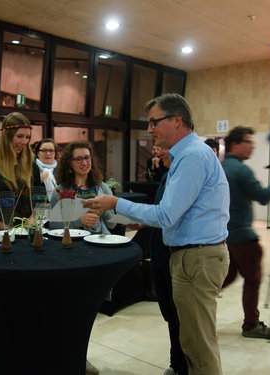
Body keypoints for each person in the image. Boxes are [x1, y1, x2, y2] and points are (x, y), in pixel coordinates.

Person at [83, 93, 230, 375]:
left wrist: (115, 203)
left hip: (197, 258)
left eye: (153, 122)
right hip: (192, 255)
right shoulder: (188, 156)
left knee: (198, 346)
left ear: (176, 120)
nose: (149, 130)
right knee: (191, 340)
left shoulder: (192, 156)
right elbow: (180, 212)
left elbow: (165, 214)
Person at [221, 126, 270, 339]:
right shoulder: (241, 170)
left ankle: (196, 301)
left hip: (226, 234)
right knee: (252, 279)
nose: (252, 146)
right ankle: (251, 325)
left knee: (229, 275)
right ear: (235, 144)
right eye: (248, 142)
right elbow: (262, 196)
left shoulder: (223, 166)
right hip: (242, 236)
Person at [148, 147, 188, 375]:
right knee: (170, 315)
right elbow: (159, 212)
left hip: (177, 255)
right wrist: (143, 221)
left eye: (162, 146)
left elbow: (169, 215)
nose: (157, 151)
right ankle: (176, 364)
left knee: (180, 316)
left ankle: (182, 366)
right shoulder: (166, 176)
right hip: (160, 253)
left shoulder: (184, 176)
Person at [50, 140, 116, 234]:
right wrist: (79, 221)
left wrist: (102, 211)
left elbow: (113, 224)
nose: (84, 163)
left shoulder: (102, 188)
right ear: (69, 163)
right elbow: (53, 224)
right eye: (78, 159)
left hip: (99, 243)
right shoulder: (61, 191)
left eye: (87, 158)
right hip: (73, 244)